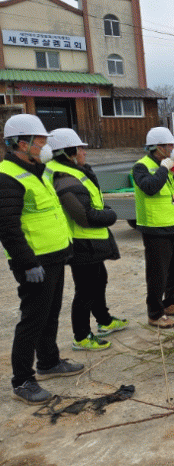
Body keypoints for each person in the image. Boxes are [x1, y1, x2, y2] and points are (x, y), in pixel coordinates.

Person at [0, 114, 83, 405]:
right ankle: (23, 380)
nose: (46, 146)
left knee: (50, 313)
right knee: (32, 320)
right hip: (35, 262)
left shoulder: (38, 170)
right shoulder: (7, 176)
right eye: (40, 140)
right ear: (22, 144)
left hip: (54, 256)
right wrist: (27, 262)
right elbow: (8, 227)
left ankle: (49, 361)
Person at [45, 128, 127, 351]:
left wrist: (104, 210)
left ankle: (104, 320)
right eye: (80, 148)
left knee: (99, 281)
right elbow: (85, 216)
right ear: (68, 152)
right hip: (82, 243)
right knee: (86, 291)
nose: (84, 152)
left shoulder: (72, 171)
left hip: (91, 242)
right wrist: (111, 215)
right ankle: (81, 336)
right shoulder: (65, 178)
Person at [132, 126, 174, 328]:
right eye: (169, 146)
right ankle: (155, 314)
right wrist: (164, 169)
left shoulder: (168, 165)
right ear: (158, 147)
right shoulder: (141, 167)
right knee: (158, 274)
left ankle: (171, 303)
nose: (173, 149)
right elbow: (150, 188)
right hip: (155, 228)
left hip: (173, 225)